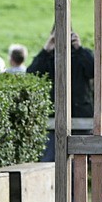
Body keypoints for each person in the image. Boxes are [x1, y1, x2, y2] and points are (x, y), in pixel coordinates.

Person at [28, 28, 95, 162]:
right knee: (50, 159)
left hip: (80, 114)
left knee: (79, 161)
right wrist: (46, 49)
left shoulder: (81, 55)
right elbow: (32, 74)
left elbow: (94, 71)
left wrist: (79, 49)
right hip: (54, 116)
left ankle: (74, 183)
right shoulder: (49, 57)